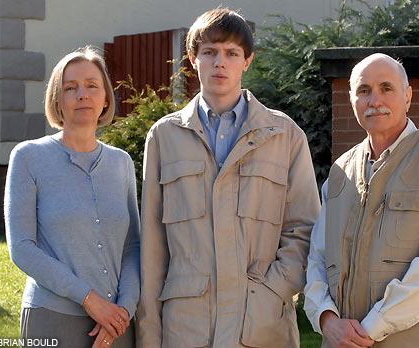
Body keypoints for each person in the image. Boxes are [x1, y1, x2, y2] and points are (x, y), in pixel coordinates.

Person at [136, 8, 321, 348]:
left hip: (262, 329)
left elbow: (304, 230)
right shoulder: (164, 137)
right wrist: (150, 334)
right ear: (193, 60)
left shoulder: (284, 135)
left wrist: (271, 292)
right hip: (186, 330)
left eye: (232, 53)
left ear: (247, 61)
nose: (220, 62)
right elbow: (152, 245)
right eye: (209, 52)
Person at [304, 52, 419, 348]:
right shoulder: (340, 174)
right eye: (364, 91)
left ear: (408, 96)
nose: (374, 100)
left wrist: (372, 327)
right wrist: (326, 319)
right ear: (352, 100)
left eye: (386, 88)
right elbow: (317, 259)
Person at [4, 46, 140, 348]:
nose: (83, 94)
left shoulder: (122, 163)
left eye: (92, 85)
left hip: (118, 325)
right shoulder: (29, 157)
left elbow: (133, 247)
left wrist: (124, 311)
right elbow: (23, 247)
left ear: (105, 97)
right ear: (57, 99)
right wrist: (91, 300)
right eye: (70, 87)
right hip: (52, 318)